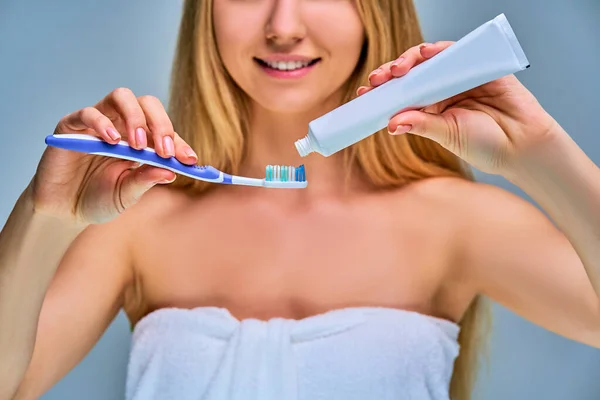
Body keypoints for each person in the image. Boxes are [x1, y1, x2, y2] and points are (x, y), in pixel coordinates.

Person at [1, 0, 599, 399]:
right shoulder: (136, 224)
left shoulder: (457, 223)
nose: (283, 24)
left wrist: (541, 153)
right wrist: (46, 214)